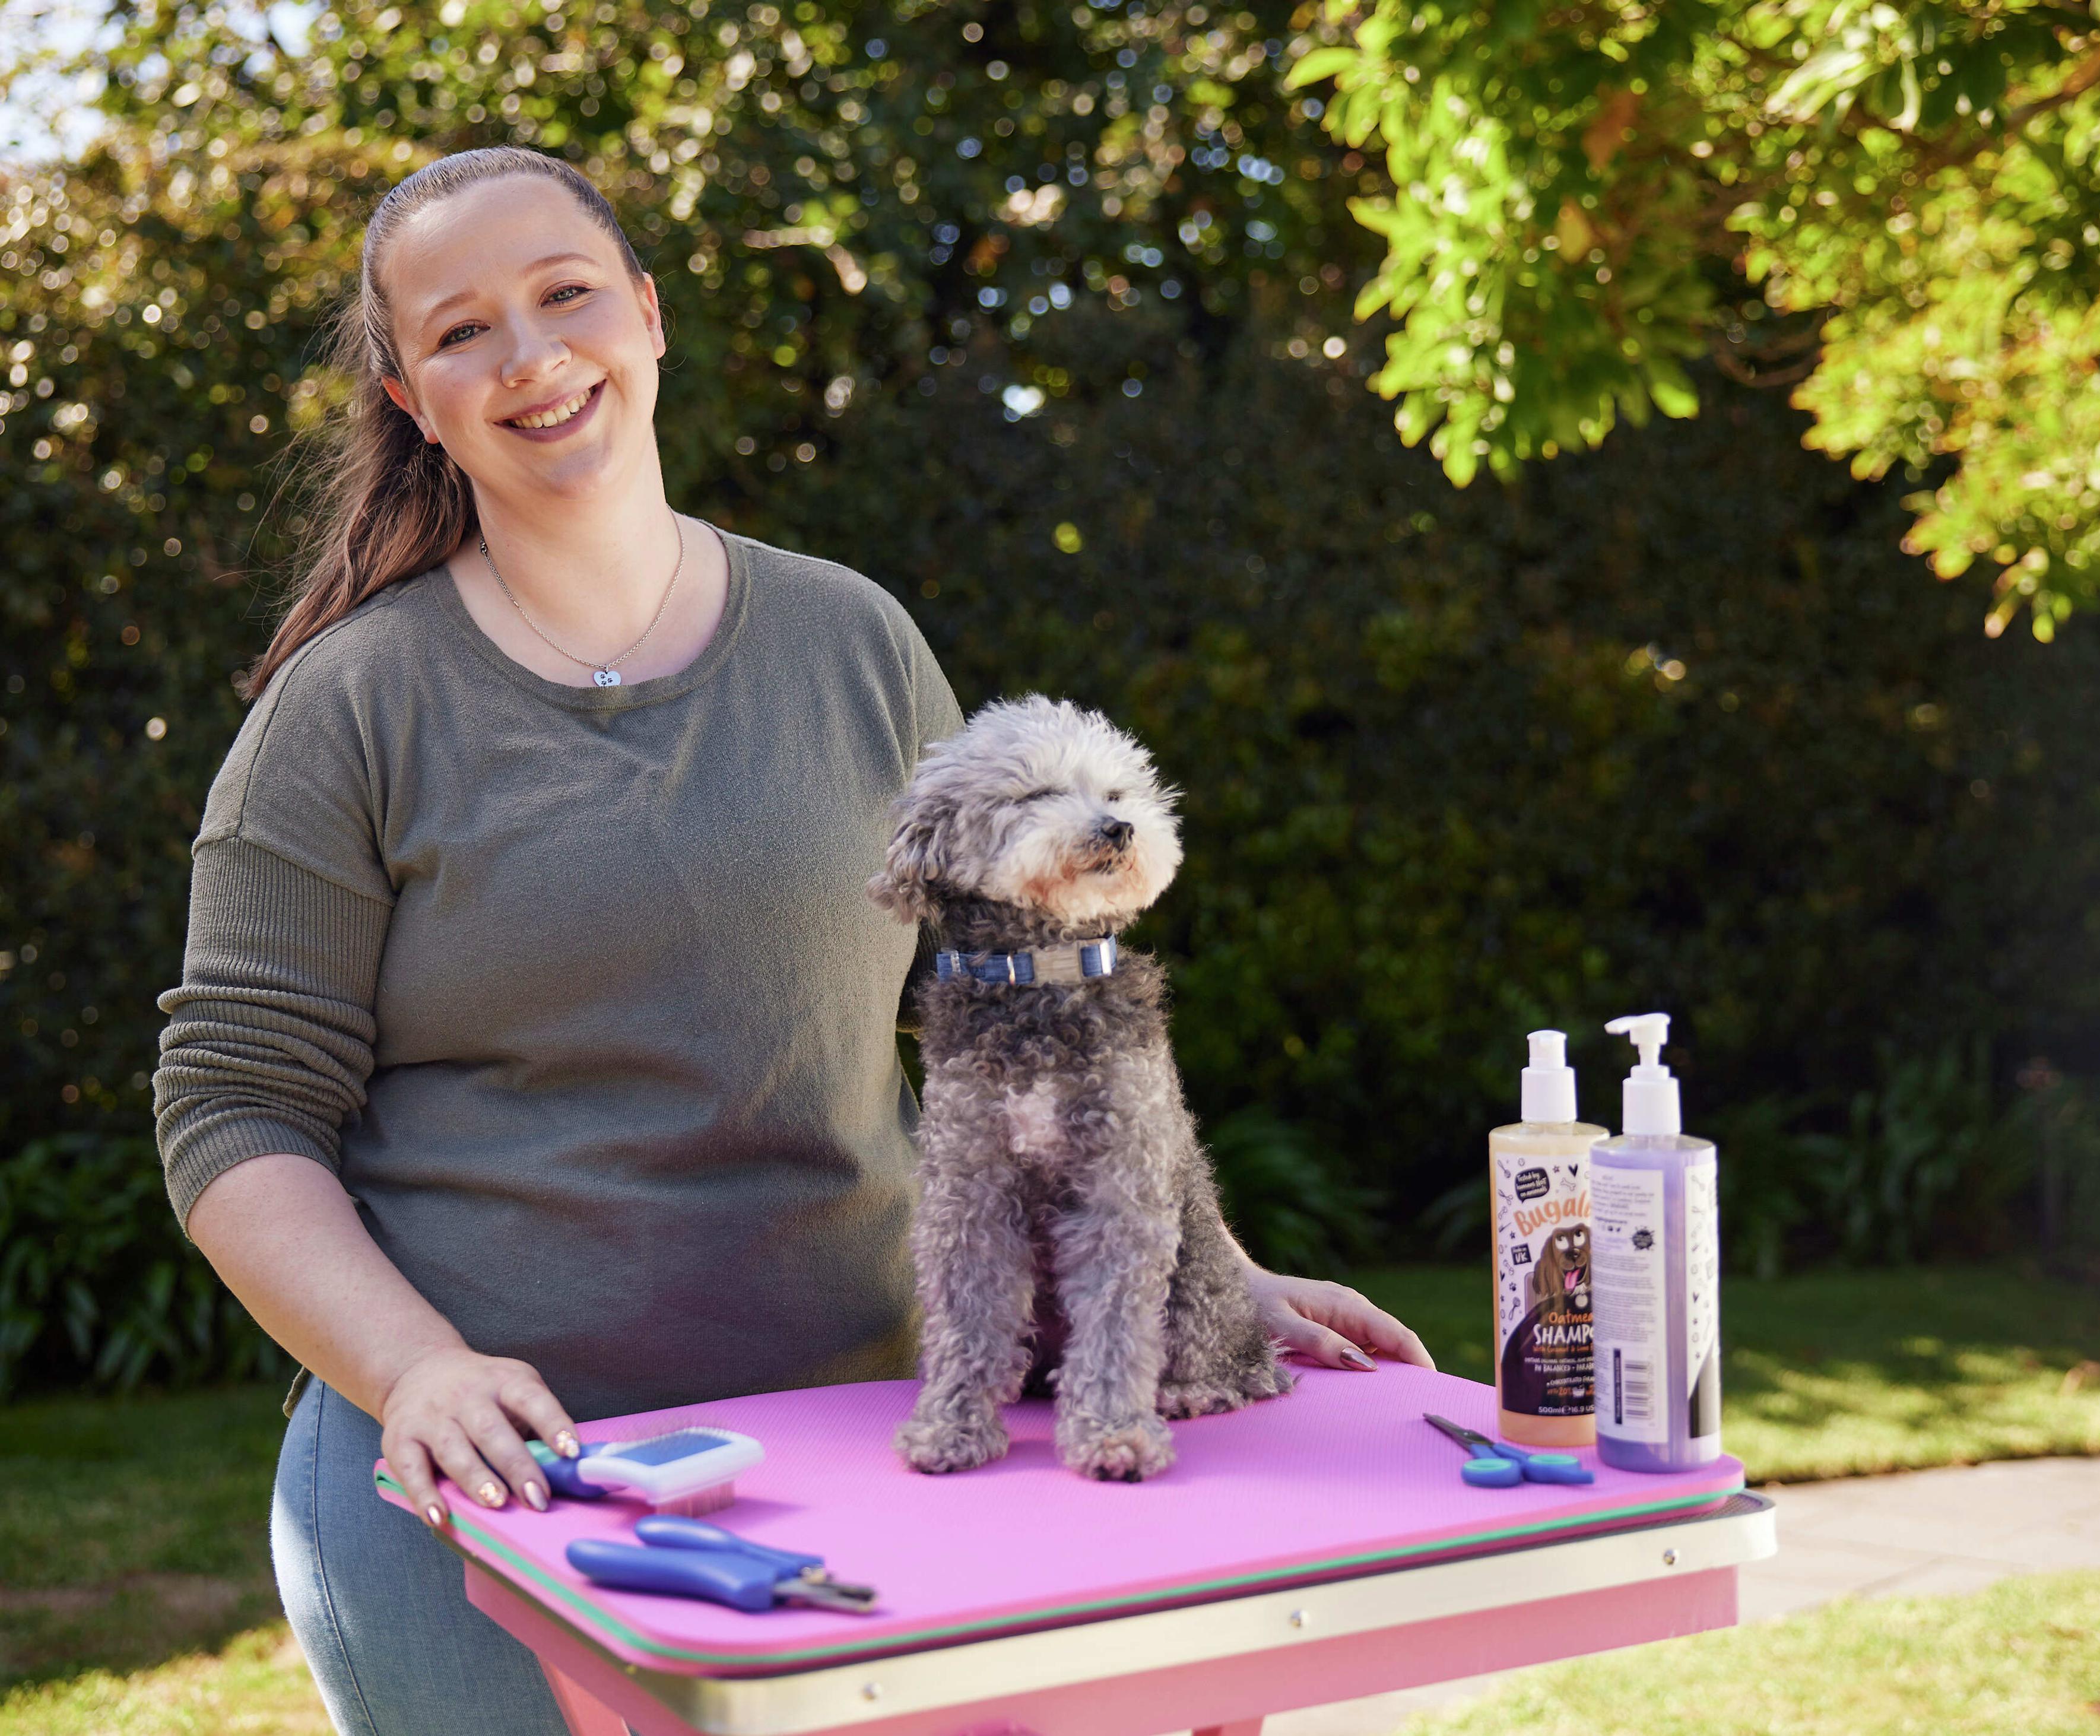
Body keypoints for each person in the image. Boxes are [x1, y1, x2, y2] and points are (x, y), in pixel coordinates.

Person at [154, 146, 1432, 1735]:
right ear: (412, 393)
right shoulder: (347, 708)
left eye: (563, 296)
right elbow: (235, 1110)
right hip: (487, 1490)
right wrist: (416, 1373)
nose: (532, 356)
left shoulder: (853, 641)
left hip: (861, 1455)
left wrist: (1201, 1268)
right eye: (462, 329)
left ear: (646, 315)